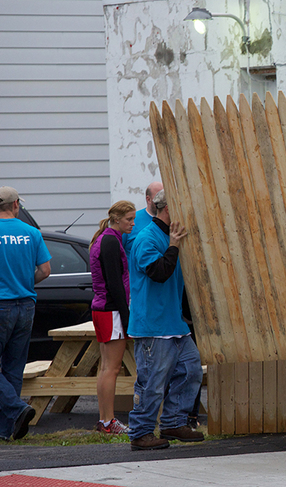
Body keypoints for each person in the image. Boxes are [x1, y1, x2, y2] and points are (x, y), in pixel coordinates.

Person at [127, 189, 204, 450]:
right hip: (152, 325)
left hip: (173, 323)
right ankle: (140, 432)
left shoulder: (170, 237)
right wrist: (173, 246)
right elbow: (159, 273)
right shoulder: (146, 238)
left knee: (191, 370)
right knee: (152, 382)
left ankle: (173, 421)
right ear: (168, 209)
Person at [0, 186, 51, 441]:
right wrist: (25, 282)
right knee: (13, 367)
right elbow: (45, 270)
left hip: (0, 305)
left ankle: (17, 410)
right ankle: (9, 427)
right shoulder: (32, 233)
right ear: (16, 204)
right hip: (26, 305)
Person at [89, 200, 137, 435]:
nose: (132, 223)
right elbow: (114, 282)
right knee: (112, 368)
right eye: (129, 219)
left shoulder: (108, 239)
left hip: (104, 309)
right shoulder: (109, 241)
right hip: (110, 310)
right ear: (116, 218)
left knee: (106, 367)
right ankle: (108, 421)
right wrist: (126, 315)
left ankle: (105, 420)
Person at [122, 181, 163, 256]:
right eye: (159, 196)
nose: (163, 201)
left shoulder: (171, 220)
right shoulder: (132, 220)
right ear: (148, 199)